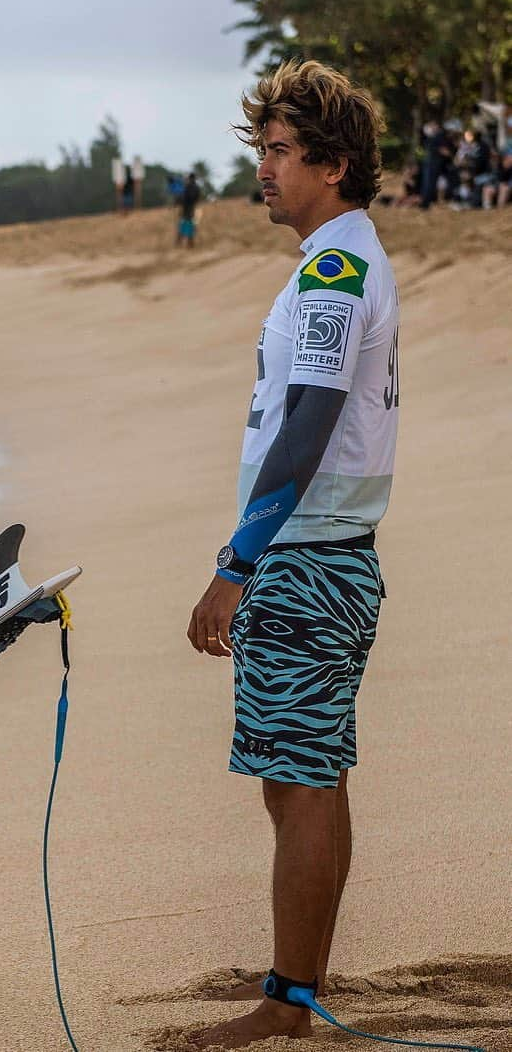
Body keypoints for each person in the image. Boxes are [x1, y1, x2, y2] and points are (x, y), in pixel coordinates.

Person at [186, 59, 399, 1049]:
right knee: (309, 772)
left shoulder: (331, 268)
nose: (262, 169)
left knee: (300, 779)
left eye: (278, 152)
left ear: (333, 162)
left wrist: (237, 561)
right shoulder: (344, 257)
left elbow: (308, 418)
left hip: (305, 560)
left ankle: (288, 997)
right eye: (262, 150)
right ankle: (300, 970)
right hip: (328, 552)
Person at [177, 172, 201, 246]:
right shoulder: (197, 187)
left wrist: (181, 207)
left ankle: (179, 242)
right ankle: (190, 242)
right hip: (194, 208)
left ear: (190, 178)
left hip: (186, 209)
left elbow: (183, 199)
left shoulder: (187, 187)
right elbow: (197, 198)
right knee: (192, 224)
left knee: (183, 225)